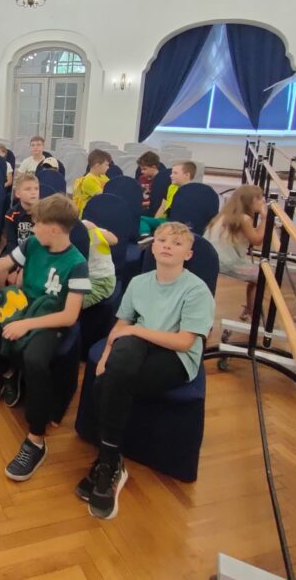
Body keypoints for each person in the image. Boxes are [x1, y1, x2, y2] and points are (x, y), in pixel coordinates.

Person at [77, 222, 214, 519]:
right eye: (162, 241)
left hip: (176, 357)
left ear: (188, 254)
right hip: (139, 346)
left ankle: (108, 461)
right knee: (113, 367)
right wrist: (107, 354)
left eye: (176, 243)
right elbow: (122, 324)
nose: (167, 246)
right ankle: (112, 461)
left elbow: (184, 342)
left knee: (108, 382)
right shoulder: (139, 283)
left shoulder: (196, 289)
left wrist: (135, 332)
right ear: (152, 248)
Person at [0, 194, 90, 480]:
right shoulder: (33, 243)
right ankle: (10, 374)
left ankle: (36, 441)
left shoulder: (77, 263)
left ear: (54, 229)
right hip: (23, 307)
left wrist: (27, 325)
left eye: (37, 224)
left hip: (51, 318)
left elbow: (69, 316)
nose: (32, 228)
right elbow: (2, 265)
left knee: (35, 360)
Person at [204, 184, 267, 321]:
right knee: (263, 275)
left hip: (210, 257)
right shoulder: (244, 219)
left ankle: (249, 310)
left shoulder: (226, 215)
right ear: (250, 201)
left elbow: (252, 235)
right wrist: (265, 219)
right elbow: (257, 240)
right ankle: (252, 312)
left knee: (259, 274)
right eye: (259, 198)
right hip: (225, 261)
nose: (263, 201)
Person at [0, 172, 40, 287]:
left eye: (36, 188)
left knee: (21, 280)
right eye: (28, 189)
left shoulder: (44, 213)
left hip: (37, 255)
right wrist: (14, 268)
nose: (33, 192)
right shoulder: (11, 214)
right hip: (16, 252)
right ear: (18, 193)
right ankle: (3, 298)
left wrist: (22, 268)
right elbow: (11, 242)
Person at [140, 160, 197, 234]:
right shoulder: (171, 187)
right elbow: (163, 207)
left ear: (187, 175)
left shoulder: (194, 192)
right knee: (141, 219)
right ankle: (146, 236)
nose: (171, 175)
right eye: (172, 173)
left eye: (175, 173)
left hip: (180, 224)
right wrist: (155, 223)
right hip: (166, 220)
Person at [82, 219, 118, 309]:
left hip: (100, 281)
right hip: (78, 278)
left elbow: (114, 240)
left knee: (62, 306)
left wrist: (94, 229)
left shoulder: (85, 226)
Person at [72, 149, 113, 214]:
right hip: (89, 215)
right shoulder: (89, 180)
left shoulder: (103, 177)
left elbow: (112, 187)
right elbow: (104, 196)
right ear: (97, 165)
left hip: (98, 211)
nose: (108, 167)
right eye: (106, 165)